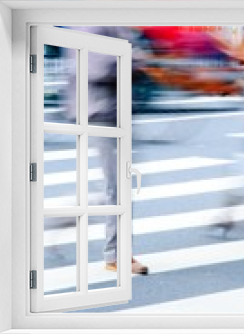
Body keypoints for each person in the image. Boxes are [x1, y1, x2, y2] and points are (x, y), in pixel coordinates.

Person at [65, 26, 148, 275]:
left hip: (111, 110)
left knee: (118, 184)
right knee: (117, 185)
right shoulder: (92, 22)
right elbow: (96, 67)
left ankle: (67, 220)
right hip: (101, 112)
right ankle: (117, 255)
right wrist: (135, 61)